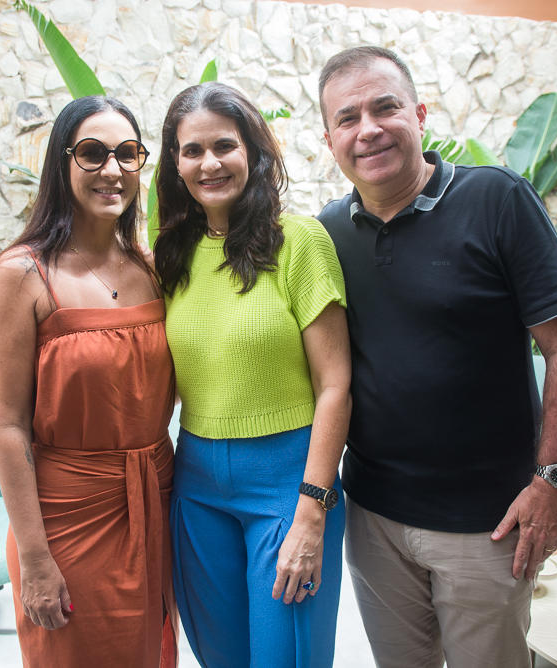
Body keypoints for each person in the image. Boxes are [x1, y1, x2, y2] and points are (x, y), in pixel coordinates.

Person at [316, 47, 557, 668]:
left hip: (487, 523)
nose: (368, 129)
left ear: (419, 115)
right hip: (374, 516)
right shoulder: (327, 233)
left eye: (385, 108)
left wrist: (552, 481)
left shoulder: (497, 199)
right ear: (330, 140)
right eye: (347, 118)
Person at [153, 82, 352, 668]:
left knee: (285, 658)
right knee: (221, 658)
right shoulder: (170, 255)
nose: (209, 163)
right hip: (197, 487)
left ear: (253, 151)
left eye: (224, 146)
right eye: (192, 150)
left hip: (290, 485)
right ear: (175, 164)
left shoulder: (300, 242)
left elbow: (336, 385)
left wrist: (312, 510)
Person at [0, 96, 178, 668]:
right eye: (92, 153)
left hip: (156, 501)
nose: (112, 169)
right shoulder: (23, 274)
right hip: (68, 520)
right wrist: (35, 558)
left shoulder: (152, 267)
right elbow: (8, 428)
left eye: (127, 153)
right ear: (62, 162)